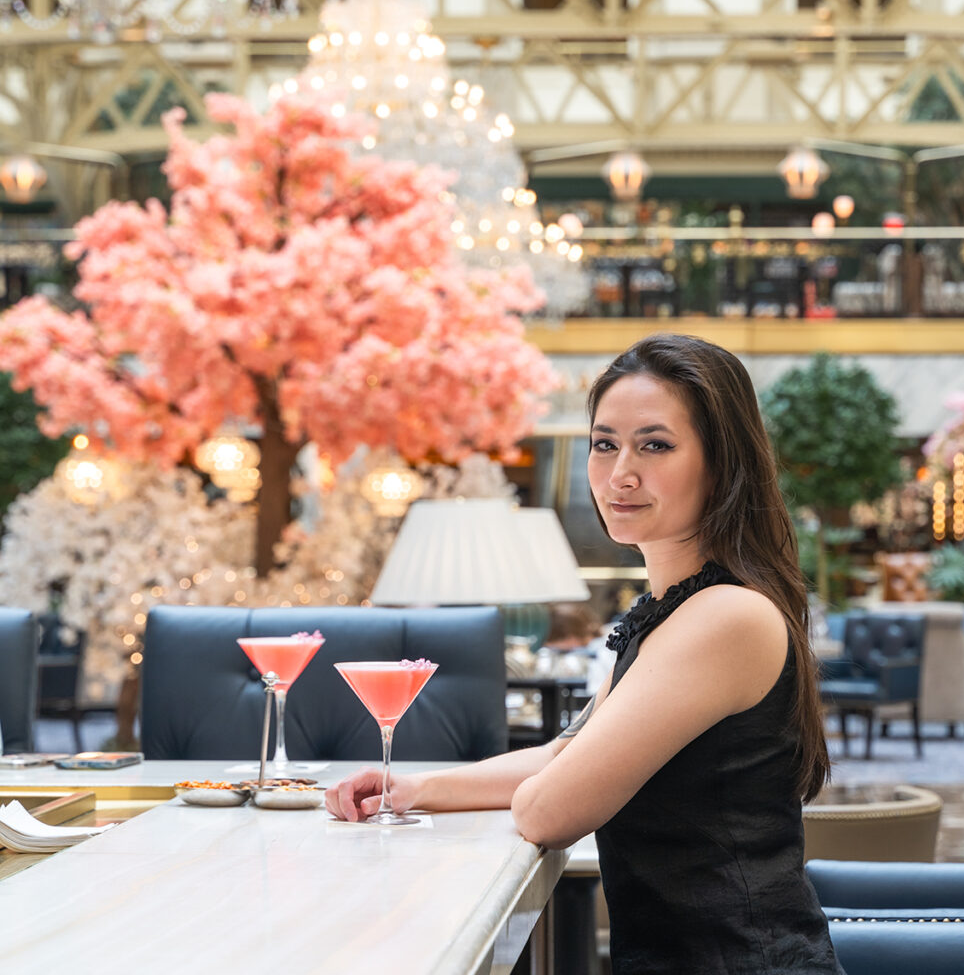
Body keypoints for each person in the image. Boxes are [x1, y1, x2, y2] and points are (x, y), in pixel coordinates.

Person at [326, 333, 844, 974]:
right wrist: (415, 788)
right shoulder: (675, 609)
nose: (620, 473)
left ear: (721, 462)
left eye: (655, 445)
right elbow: (565, 754)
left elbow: (549, 809)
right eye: (605, 444)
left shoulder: (726, 615)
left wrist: (551, 782)